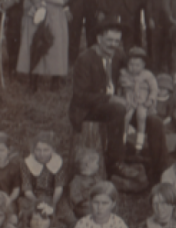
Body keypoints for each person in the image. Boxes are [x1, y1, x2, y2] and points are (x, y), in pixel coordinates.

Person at [69, 17, 168, 183]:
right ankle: (115, 162)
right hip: (89, 110)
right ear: (99, 39)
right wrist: (112, 98)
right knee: (118, 110)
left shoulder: (119, 56)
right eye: (109, 40)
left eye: (117, 41)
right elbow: (80, 96)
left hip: (122, 105)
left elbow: (139, 72)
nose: (113, 44)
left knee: (154, 121)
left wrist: (142, 92)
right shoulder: (85, 59)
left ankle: (161, 171)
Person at [119, 47, 159, 153]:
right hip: (129, 100)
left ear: (143, 65)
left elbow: (154, 88)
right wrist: (136, 84)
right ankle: (122, 139)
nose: (134, 68)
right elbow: (123, 83)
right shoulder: (124, 74)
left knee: (141, 116)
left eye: (137, 65)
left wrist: (150, 99)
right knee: (126, 117)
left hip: (142, 101)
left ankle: (139, 141)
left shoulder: (147, 75)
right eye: (131, 65)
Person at [20, 130, 65, 220]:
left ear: (53, 149)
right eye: (38, 150)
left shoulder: (57, 162)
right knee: (29, 217)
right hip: (33, 197)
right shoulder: (28, 162)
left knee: (66, 217)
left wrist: (53, 204)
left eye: (46, 150)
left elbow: (58, 187)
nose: (41, 154)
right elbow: (27, 189)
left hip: (54, 197)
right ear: (33, 150)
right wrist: (38, 203)